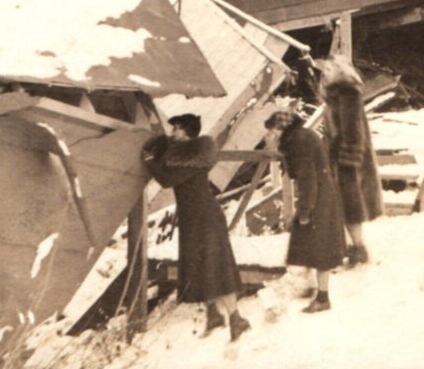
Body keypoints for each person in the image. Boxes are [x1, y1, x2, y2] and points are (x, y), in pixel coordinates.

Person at [141, 114, 250, 341]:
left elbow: (166, 180)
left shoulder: (192, 156)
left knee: (218, 267)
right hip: (194, 217)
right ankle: (213, 315)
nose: (172, 134)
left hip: (206, 217)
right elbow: (166, 168)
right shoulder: (182, 155)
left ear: (187, 132)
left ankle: (236, 318)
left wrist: (150, 160)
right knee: (199, 265)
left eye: (176, 130)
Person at [264, 108, 345, 313]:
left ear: (282, 128)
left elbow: (307, 177)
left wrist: (305, 211)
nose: (271, 136)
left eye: (273, 131)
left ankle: (323, 298)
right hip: (320, 193)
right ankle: (310, 286)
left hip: (318, 198)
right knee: (306, 242)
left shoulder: (299, 142)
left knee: (320, 249)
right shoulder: (301, 136)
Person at [318, 55, 384, 265]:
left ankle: (358, 248)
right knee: (343, 205)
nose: (324, 74)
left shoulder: (347, 94)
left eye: (328, 70)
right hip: (338, 157)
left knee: (351, 205)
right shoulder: (334, 96)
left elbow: (353, 129)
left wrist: (347, 157)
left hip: (348, 160)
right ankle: (350, 247)